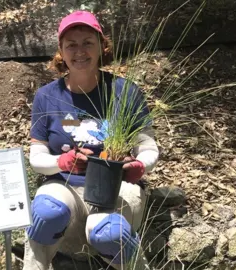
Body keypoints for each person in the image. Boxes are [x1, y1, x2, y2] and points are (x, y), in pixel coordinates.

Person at [24, 10, 159, 270]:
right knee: (45, 214)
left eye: (88, 42)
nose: (80, 51)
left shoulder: (125, 92)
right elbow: (37, 160)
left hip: (115, 188)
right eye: (71, 45)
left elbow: (148, 147)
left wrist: (140, 166)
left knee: (108, 231)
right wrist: (64, 162)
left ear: (101, 46)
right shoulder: (46, 96)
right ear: (61, 52)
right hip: (64, 187)